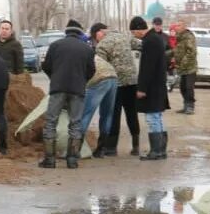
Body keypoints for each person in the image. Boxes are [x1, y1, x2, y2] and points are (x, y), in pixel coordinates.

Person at [38, 20, 95, 169]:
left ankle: (50, 160)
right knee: (75, 123)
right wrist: (82, 80)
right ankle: (72, 160)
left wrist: (55, 77)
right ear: (80, 32)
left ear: (66, 31)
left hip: (58, 88)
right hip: (78, 90)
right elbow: (91, 71)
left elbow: (46, 66)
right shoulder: (87, 49)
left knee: (51, 122)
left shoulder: (55, 46)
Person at [98, 22, 141, 156]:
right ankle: (136, 146)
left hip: (116, 83)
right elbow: (141, 45)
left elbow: (100, 66)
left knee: (114, 114)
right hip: (132, 81)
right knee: (132, 113)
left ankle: (111, 148)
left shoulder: (103, 44)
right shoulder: (125, 37)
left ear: (100, 33)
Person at [131, 16, 171, 160]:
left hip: (152, 87)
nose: (133, 35)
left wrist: (142, 88)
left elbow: (147, 67)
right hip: (158, 84)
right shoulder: (156, 39)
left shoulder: (149, 42)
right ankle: (161, 150)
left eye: (133, 32)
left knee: (152, 117)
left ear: (138, 30)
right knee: (158, 117)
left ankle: (155, 151)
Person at [83, 23, 121, 157]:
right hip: (112, 77)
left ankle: (76, 149)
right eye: (102, 32)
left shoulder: (89, 48)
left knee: (86, 113)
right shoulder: (89, 46)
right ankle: (101, 149)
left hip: (100, 79)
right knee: (107, 115)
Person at [173, 21, 198, 114]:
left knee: (188, 87)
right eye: (176, 25)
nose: (177, 27)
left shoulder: (188, 37)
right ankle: (186, 106)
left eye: (179, 25)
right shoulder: (180, 38)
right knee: (182, 87)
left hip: (190, 68)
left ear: (184, 27)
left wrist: (183, 63)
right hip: (182, 68)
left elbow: (191, 52)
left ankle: (190, 107)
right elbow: (177, 50)